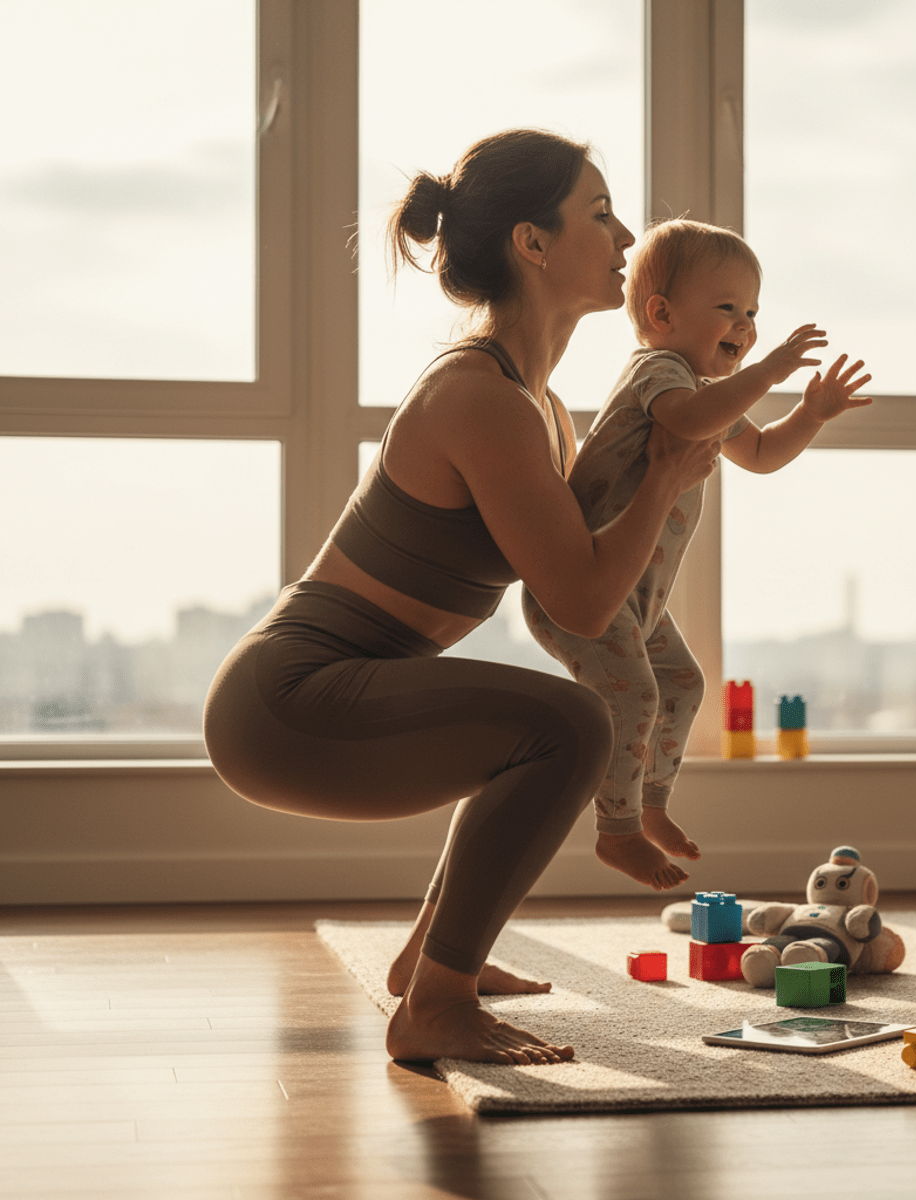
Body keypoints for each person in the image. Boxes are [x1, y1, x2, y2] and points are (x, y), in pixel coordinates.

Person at [202, 131, 721, 1067]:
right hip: (284, 703)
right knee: (565, 724)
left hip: (332, 691)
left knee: (534, 726)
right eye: (599, 215)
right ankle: (436, 1005)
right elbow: (583, 600)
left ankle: (430, 964)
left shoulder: (543, 408)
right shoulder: (478, 397)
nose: (625, 235)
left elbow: (597, 593)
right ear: (532, 242)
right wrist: (664, 478)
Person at [522, 218, 872, 890]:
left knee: (683, 685)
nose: (745, 326)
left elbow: (763, 454)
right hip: (581, 593)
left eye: (752, 313)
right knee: (635, 698)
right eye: (727, 309)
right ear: (661, 313)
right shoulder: (660, 372)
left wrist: (811, 415)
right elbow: (682, 422)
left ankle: (648, 806)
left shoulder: (708, 394)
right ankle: (615, 830)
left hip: (636, 602)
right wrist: (769, 371)